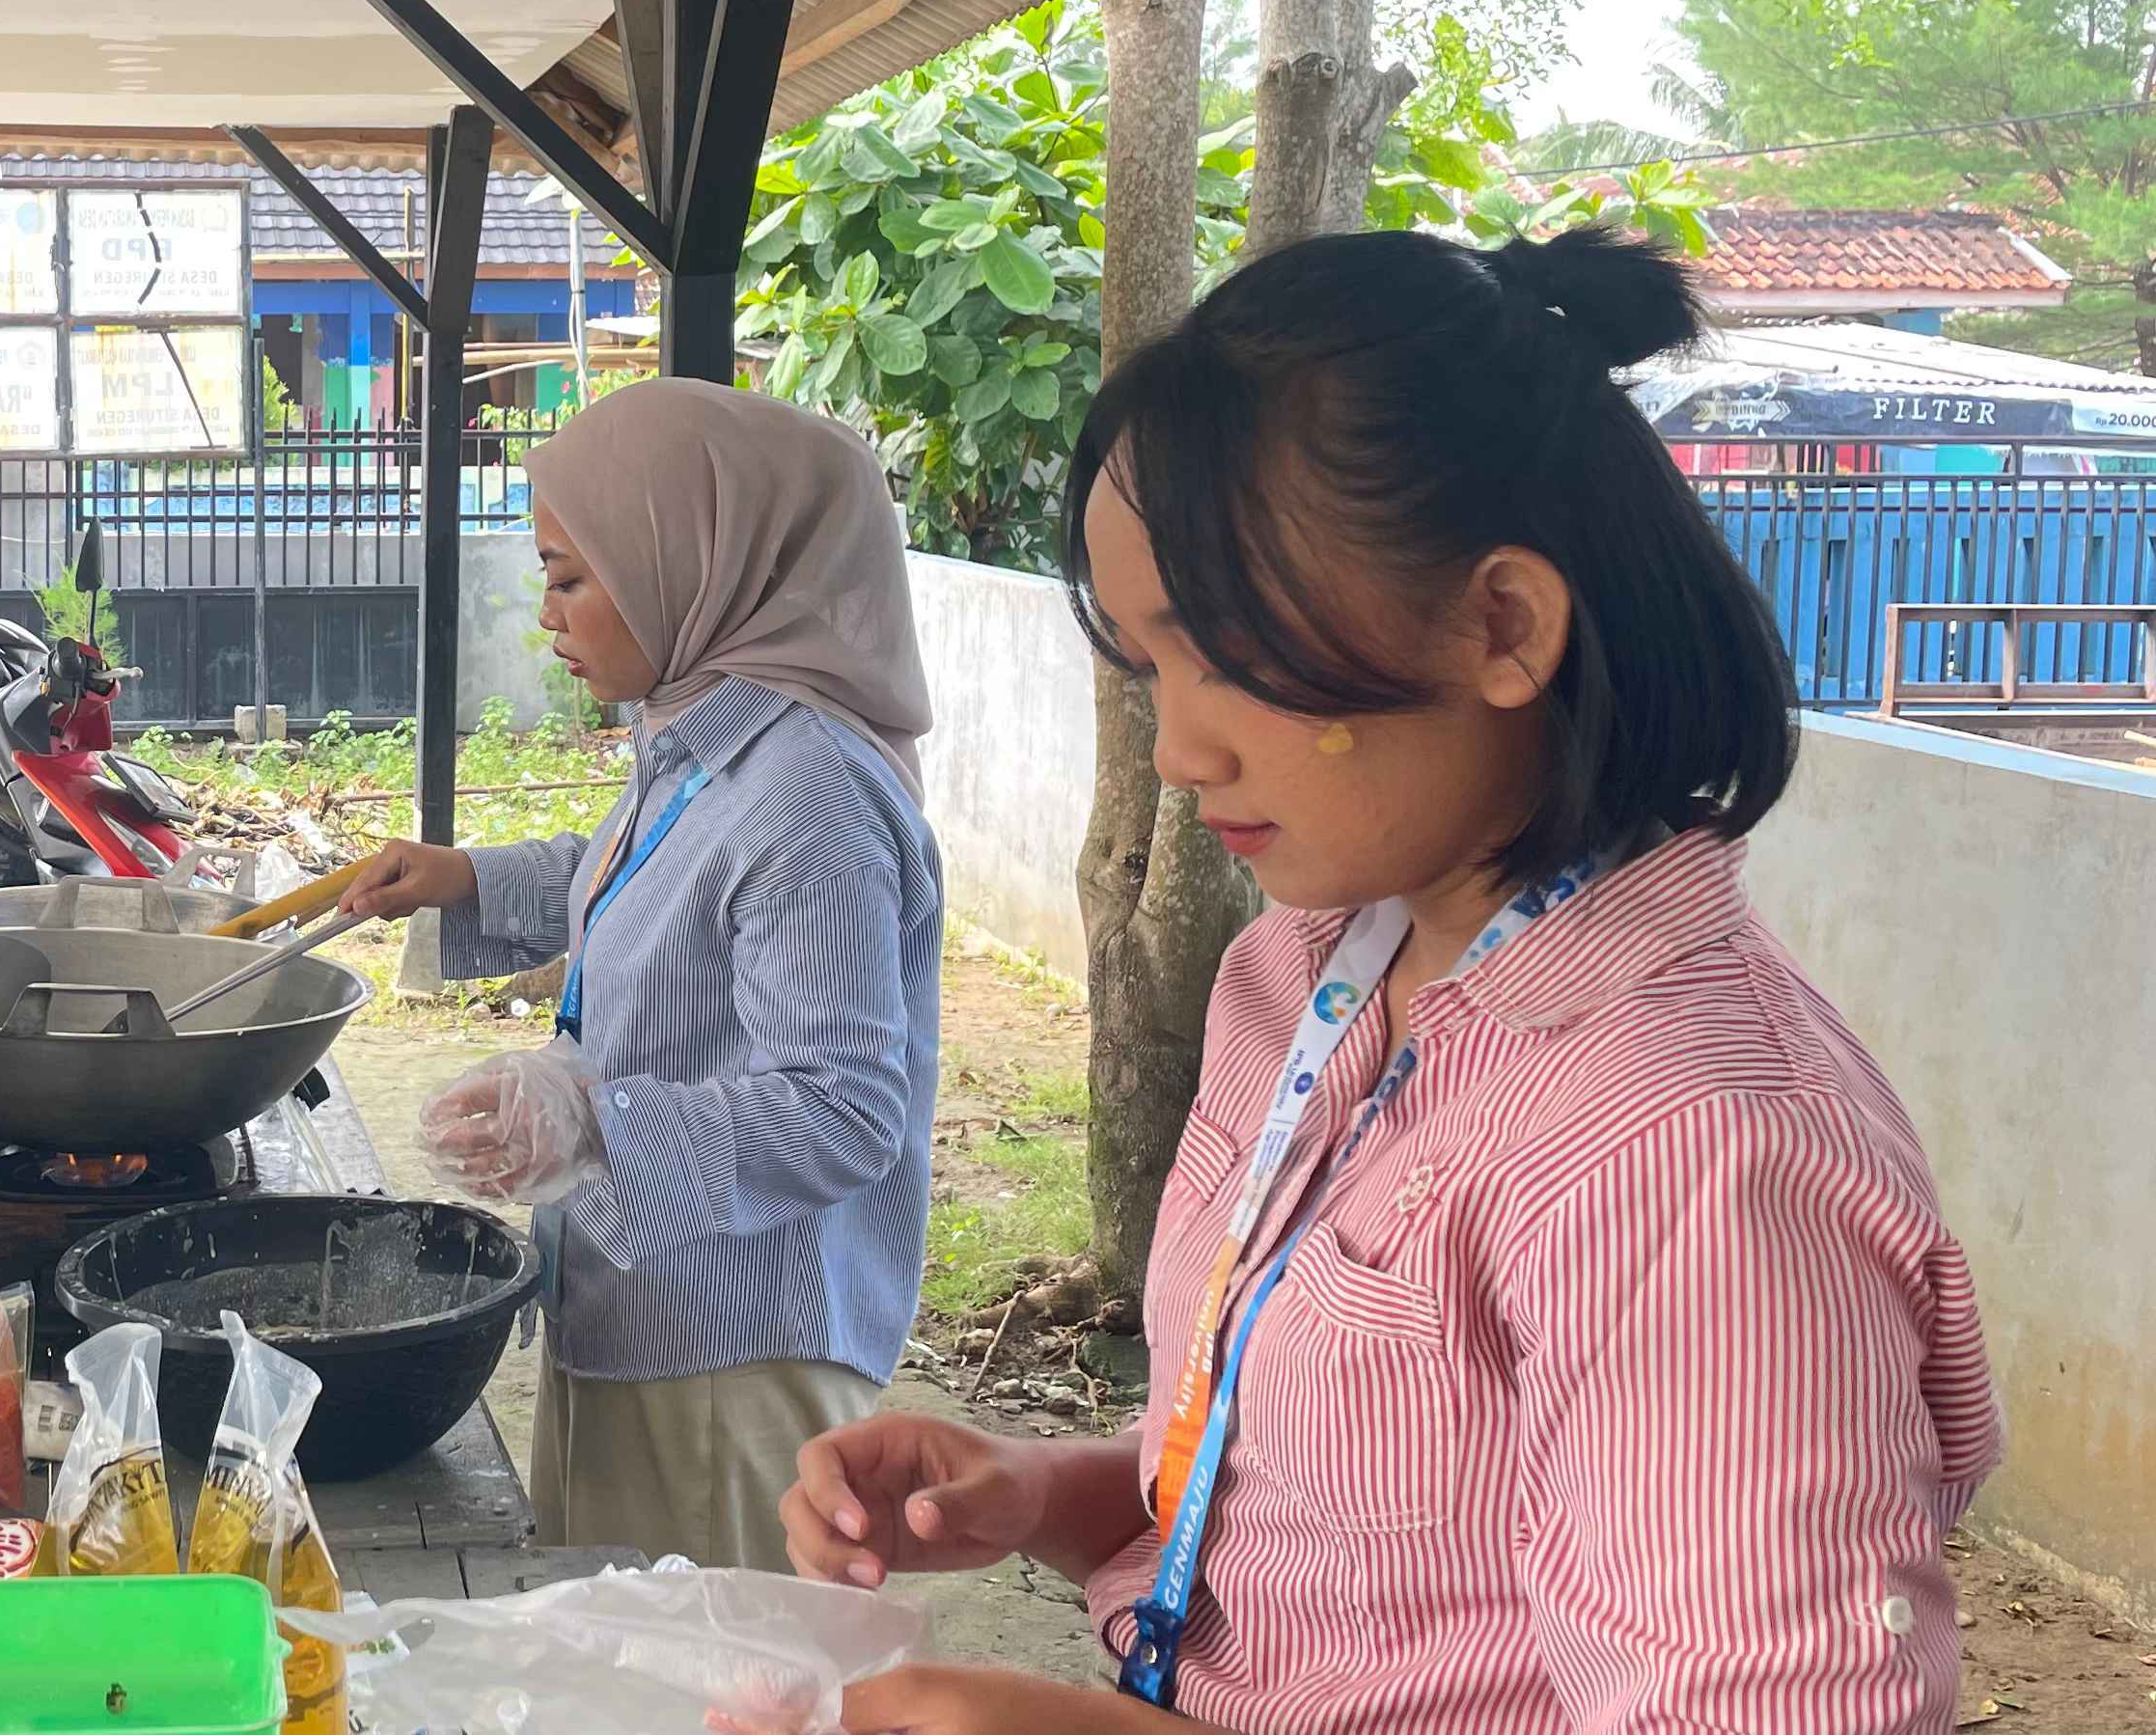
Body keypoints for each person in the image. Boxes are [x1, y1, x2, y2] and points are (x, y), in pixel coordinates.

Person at [781, 230, 2001, 1735]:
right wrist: (1054, 1495)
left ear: (1502, 627)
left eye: (1227, 654)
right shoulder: (1302, 974)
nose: (1181, 749)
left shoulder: (1689, 1152)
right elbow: (1361, 1540)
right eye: (1152, 668)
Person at [339, 376, 940, 1572]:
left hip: (731, 1358)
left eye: (569, 577)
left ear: (693, 562)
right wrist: (467, 878)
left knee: (701, 1661)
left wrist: (594, 1125)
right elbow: (651, 870)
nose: (545, 613)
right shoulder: (705, 734)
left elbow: (843, 1111)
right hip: (639, 1301)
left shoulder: (807, 795)